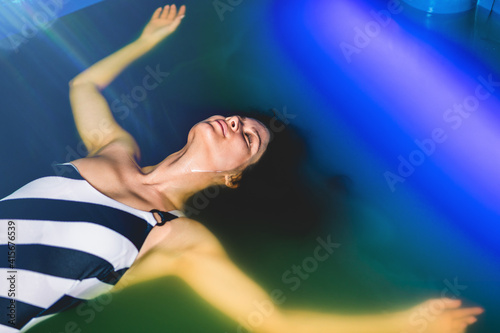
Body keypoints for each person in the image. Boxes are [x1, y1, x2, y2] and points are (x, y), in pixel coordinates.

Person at [0, 4, 484, 333]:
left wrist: (402, 324)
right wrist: (147, 40)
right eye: (239, 119)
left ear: (235, 177)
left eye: (248, 137)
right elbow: (83, 87)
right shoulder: (114, 150)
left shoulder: (177, 237)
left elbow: (273, 322)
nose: (235, 122)